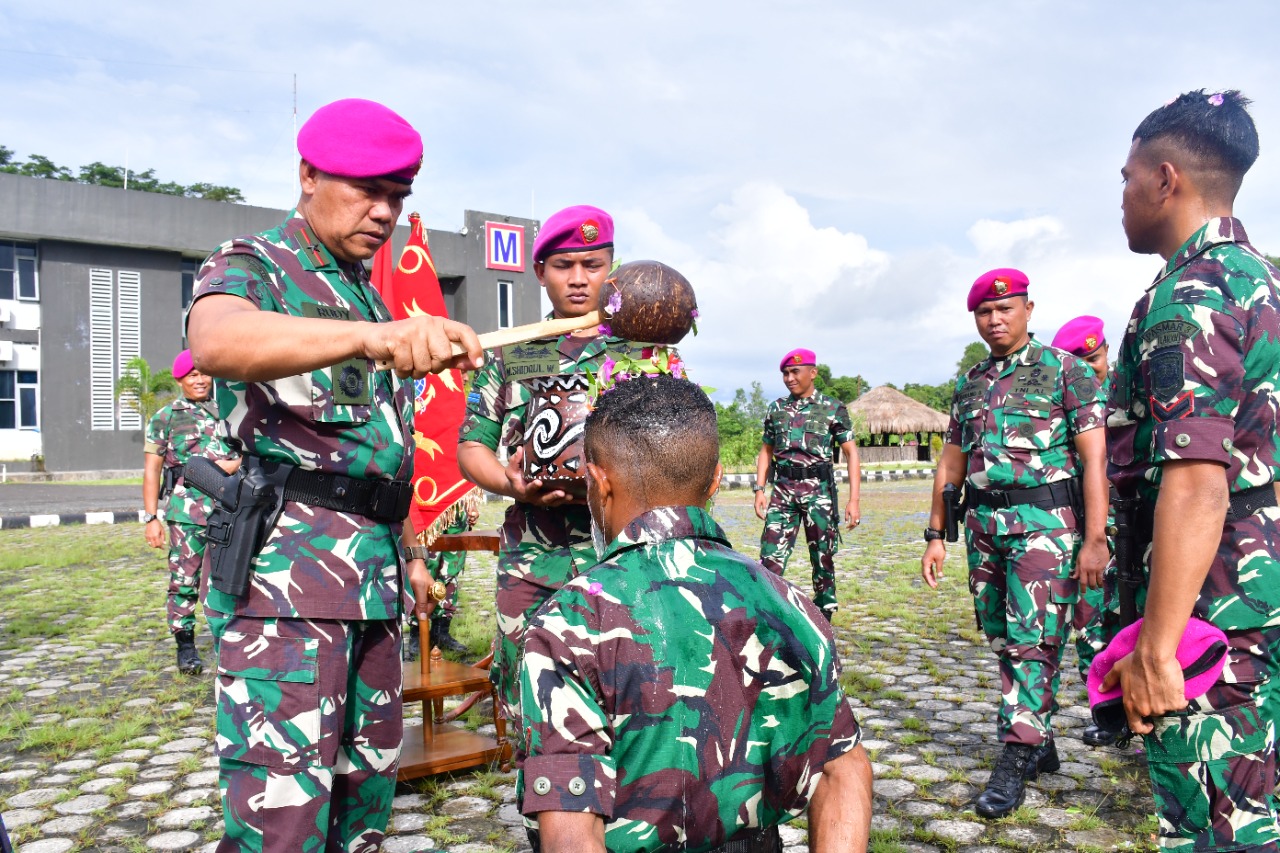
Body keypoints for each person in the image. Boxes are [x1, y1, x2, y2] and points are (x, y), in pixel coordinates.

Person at [185, 98, 483, 853]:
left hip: (374, 581)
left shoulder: (365, 290)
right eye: (367, 190)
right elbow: (217, 340)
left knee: (363, 804)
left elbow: (385, 446)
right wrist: (371, 336)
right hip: (288, 590)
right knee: (281, 821)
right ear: (307, 175)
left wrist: (413, 554)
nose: (384, 212)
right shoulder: (254, 263)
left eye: (399, 197)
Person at [520, 375, 873, 853]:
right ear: (714, 481)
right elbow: (841, 768)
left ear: (598, 482)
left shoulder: (570, 622)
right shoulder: (790, 603)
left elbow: (570, 835)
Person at [1104, 89, 1280, 852]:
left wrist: (1158, 647)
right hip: (1257, 591)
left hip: (1212, 609)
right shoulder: (1261, 281)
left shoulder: (1192, 292)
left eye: (1128, 177)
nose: (1123, 195)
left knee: (1214, 825)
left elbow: (1197, 476)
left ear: (1167, 178)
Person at [458, 204, 658, 750]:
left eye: (592, 264)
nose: (578, 278)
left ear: (611, 268)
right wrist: (507, 483)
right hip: (533, 558)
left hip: (625, 555)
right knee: (530, 698)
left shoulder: (645, 351)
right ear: (539, 270)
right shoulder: (512, 351)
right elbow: (471, 444)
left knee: (632, 696)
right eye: (563, 265)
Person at [920, 269, 1108, 819]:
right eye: (984, 312)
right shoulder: (971, 382)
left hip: (1046, 525)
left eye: (1006, 308)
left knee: (1034, 639)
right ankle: (1041, 738)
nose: (995, 319)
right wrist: (937, 534)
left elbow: (1095, 459)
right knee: (1004, 635)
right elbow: (951, 463)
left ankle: (1016, 753)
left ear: (1029, 309)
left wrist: (1095, 539)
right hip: (985, 529)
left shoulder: (1067, 371)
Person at [1050, 316, 1133, 747]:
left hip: (1138, 525)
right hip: (1089, 527)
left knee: (1140, 616)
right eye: (1080, 361)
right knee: (1092, 621)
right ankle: (1109, 712)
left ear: (1106, 353)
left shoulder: (1132, 389)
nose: (1091, 369)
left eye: (1095, 359)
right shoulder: (1061, 399)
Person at [142, 349, 239, 675]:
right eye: (191, 375)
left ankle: (229, 641)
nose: (199, 380)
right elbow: (152, 470)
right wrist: (151, 516)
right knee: (184, 579)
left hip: (229, 509)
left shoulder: (228, 412)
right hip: (187, 512)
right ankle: (185, 646)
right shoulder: (165, 417)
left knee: (231, 577)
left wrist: (232, 464)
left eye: (203, 373)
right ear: (180, 379)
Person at [754, 349, 861, 619]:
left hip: (819, 492)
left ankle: (825, 612)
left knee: (822, 556)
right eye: (785, 374)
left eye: (795, 372)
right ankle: (768, 612)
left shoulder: (832, 408)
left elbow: (851, 453)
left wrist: (854, 500)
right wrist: (759, 490)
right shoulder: (776, 408)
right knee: (770, 557)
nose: (789, 378)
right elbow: (766, 451)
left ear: (812, 373)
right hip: (782, 491)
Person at [403, 503, 481, 660]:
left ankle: (441, 631)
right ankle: (418, 631)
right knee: (424, 563)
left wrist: (470, 503)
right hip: (425, 498)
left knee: (452, 565)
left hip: (456, 503)